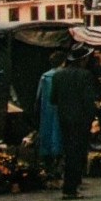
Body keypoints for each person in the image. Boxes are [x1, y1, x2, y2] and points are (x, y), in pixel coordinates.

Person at [50, 44, 98, 200]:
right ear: (83, 60)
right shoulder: (85, 75)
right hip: (81, 120)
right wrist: (91, 119)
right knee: (77, 152)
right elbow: (89, 101)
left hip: (64, 118)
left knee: (69, 151)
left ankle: (70, 185)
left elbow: (53, 99)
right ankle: (71, 188)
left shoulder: (58, 75)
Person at [34, 50, 66, 182]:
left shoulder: (45, 76)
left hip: (46, 111)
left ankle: (48, 169)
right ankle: (58, 169)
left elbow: (38, 97)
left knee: (47, 135)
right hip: (60, 110)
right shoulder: (63, 76)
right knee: (59, 136)